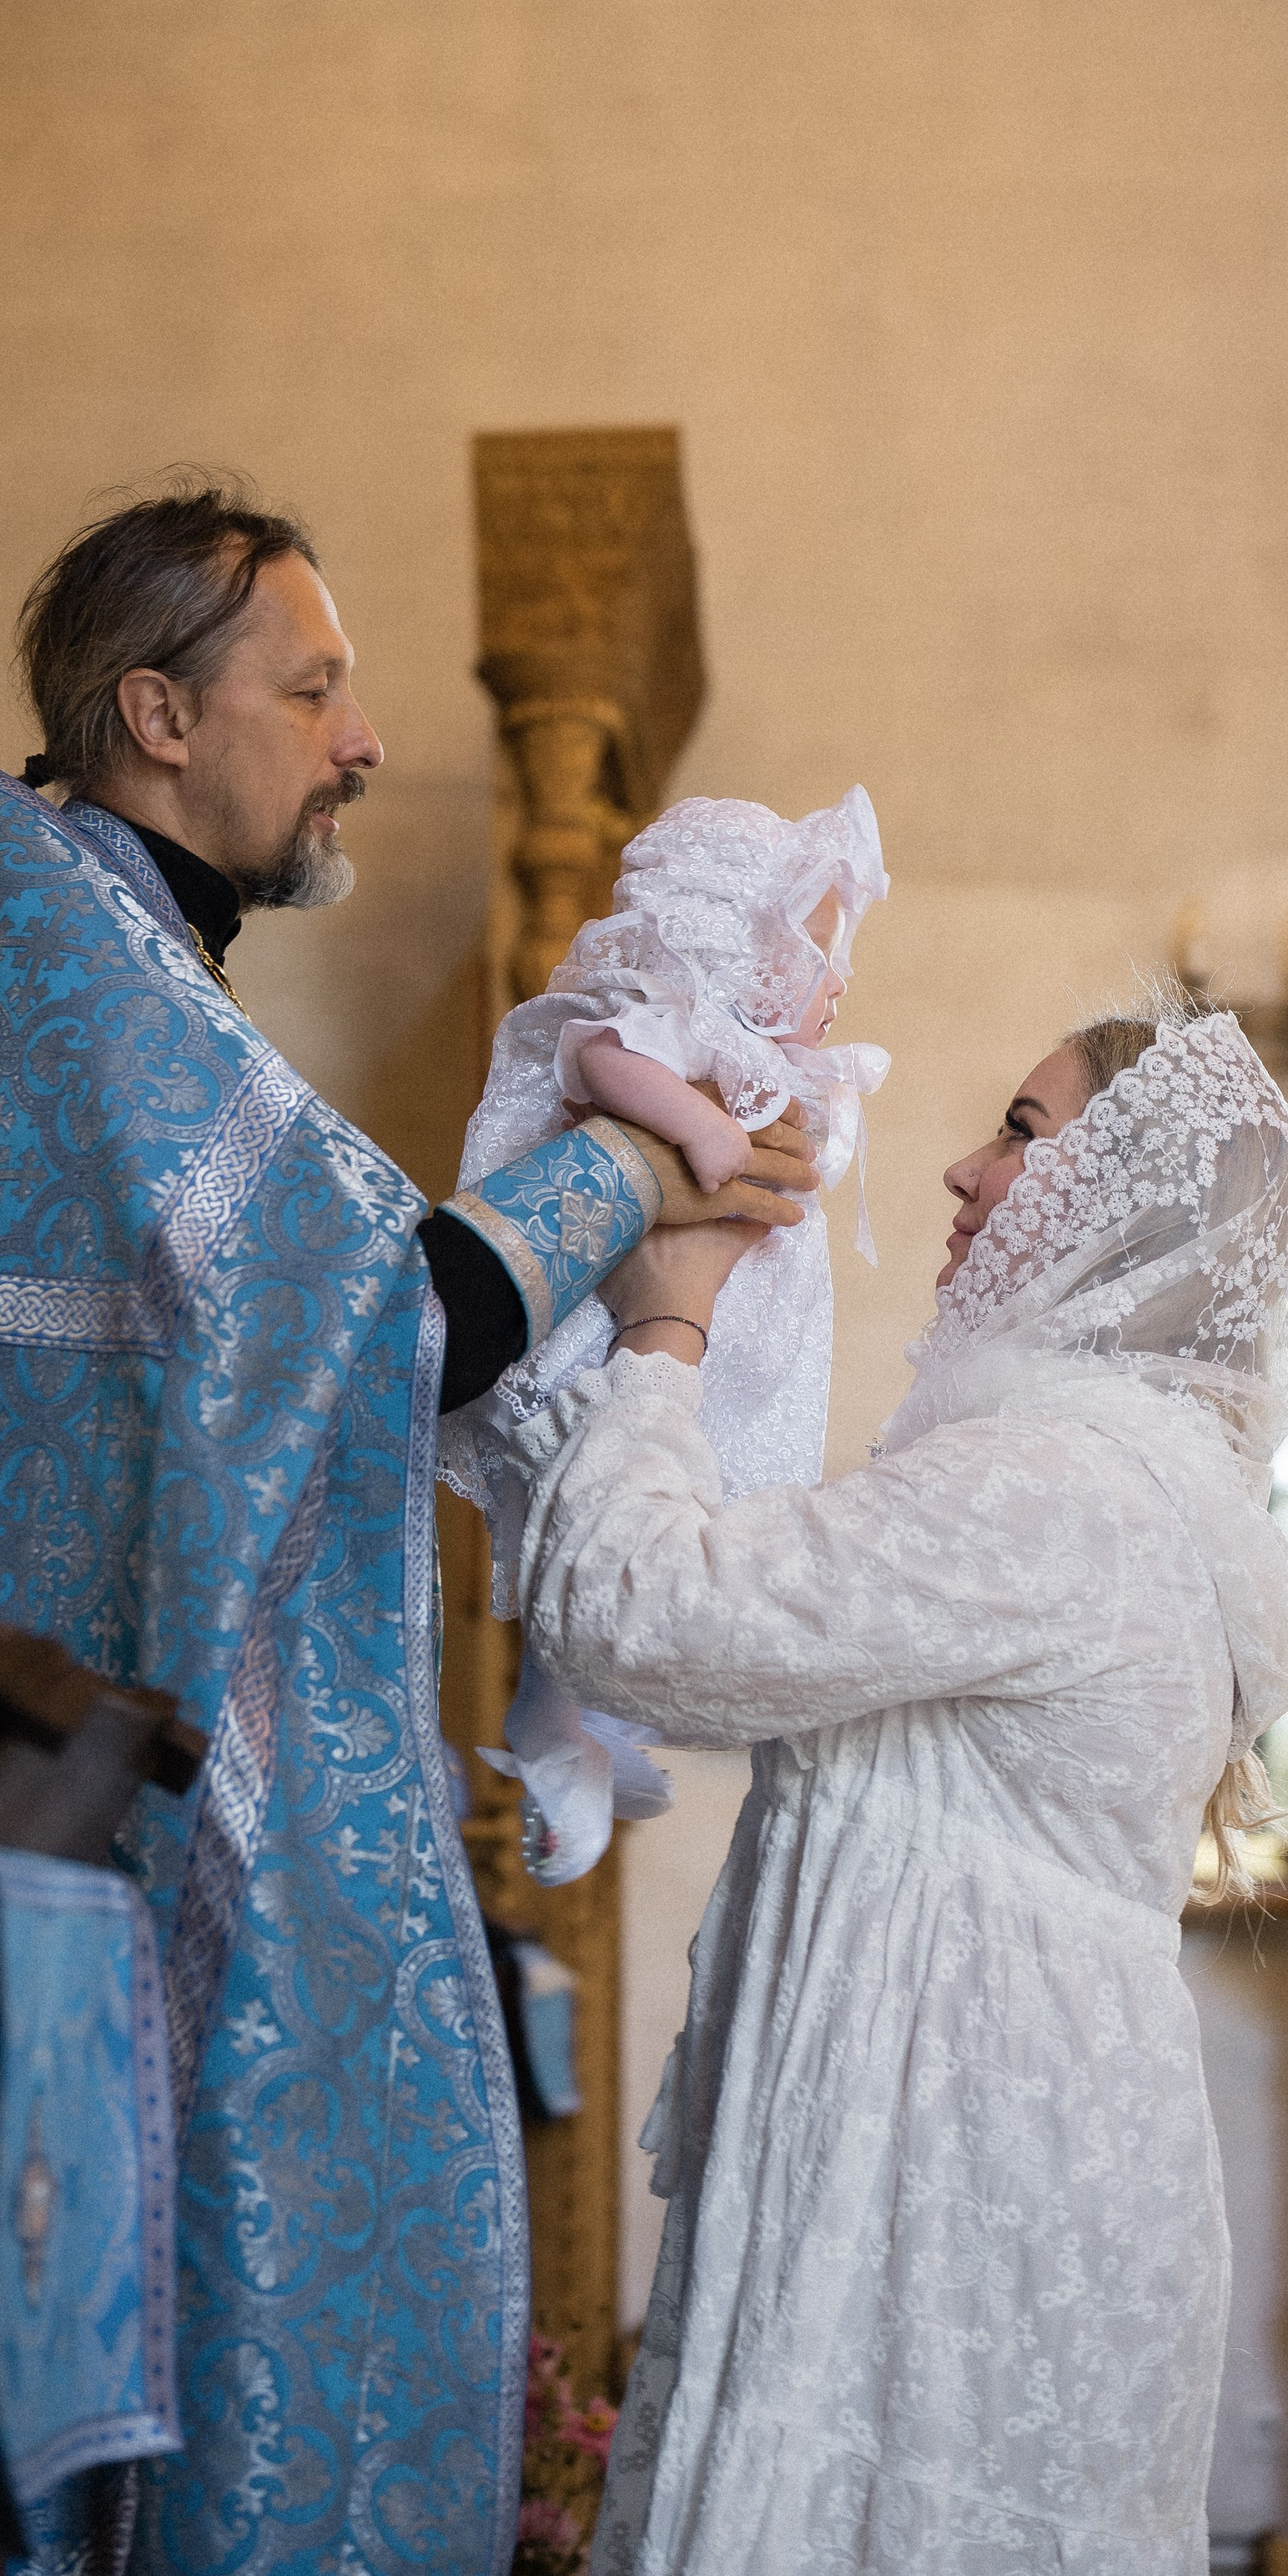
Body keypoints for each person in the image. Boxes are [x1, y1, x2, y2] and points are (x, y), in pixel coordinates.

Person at [0, 479, 817, 2576]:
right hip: (126, 1863)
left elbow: (307, 1312)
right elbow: (361, 1321)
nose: (363, 738)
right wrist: (633, 1178)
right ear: (157, 714)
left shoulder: (95, 963)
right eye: (315, 686)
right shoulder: (77, 972)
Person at [502, 1001, 1288, 2576]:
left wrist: (663, 1328)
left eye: (1020, 1132)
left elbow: (639, 1614)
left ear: (1119, 1208)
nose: (964, 1165)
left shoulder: (1051, 1490)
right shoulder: (1130, 1491)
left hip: (950, 2163)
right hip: (1040, 2149)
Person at [439, 787, 889, 1883]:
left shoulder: (769, 1061)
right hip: (611, 1333)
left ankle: (598, 1727)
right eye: (814, 953)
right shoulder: (677, 1025)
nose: (839, 981)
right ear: (730, 946)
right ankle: (556, 1729)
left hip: (725, 1353)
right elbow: (597, 1057)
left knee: (680, 1521)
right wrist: (699, 1128)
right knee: (598, 1505)